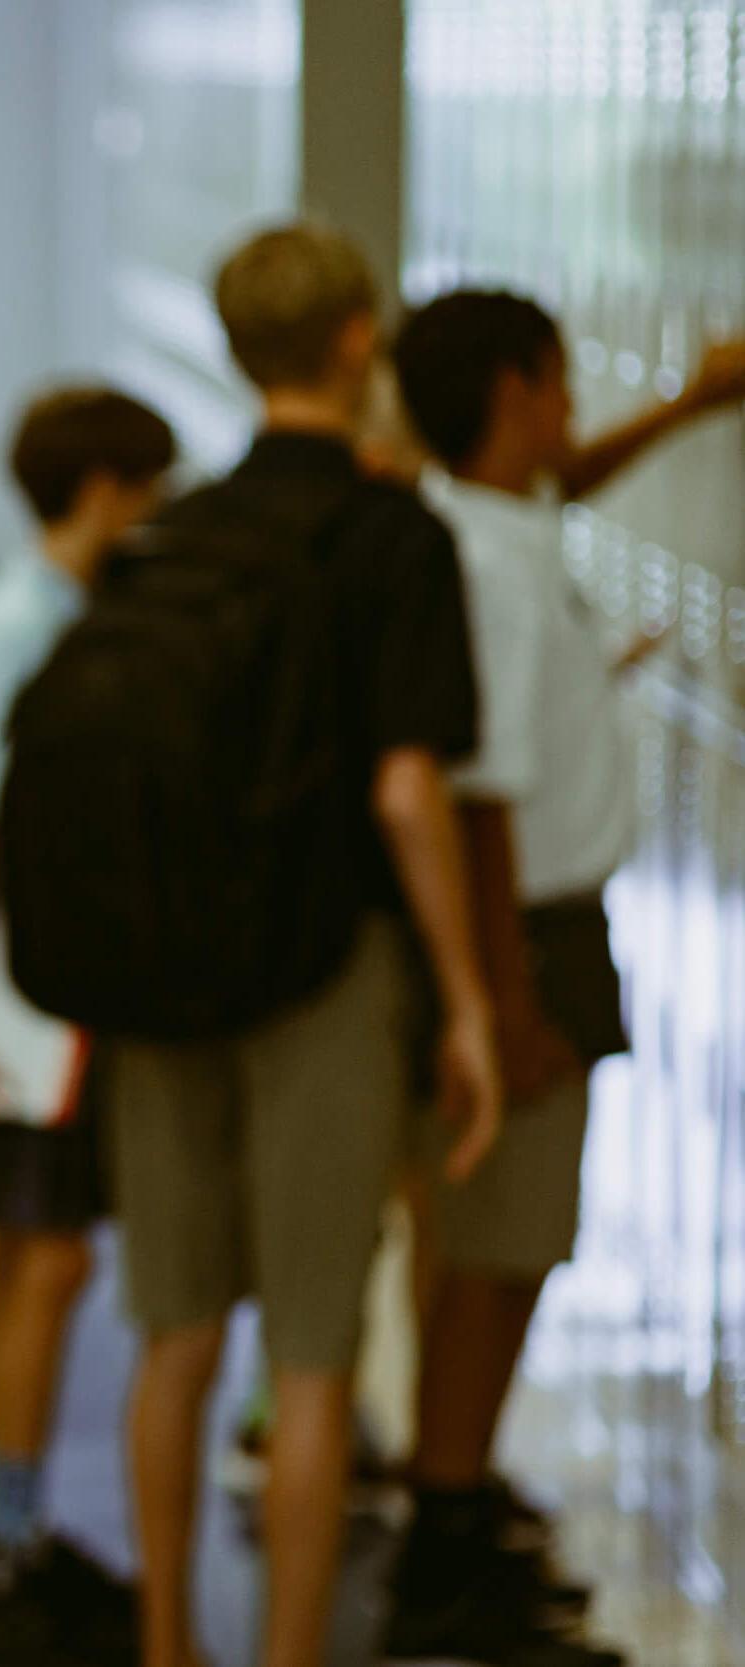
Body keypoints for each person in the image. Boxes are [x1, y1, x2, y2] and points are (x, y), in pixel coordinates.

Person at [97, 224, 502, 1667]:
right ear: (355, 342)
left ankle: (163, 1640)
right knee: (315, 1354)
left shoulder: (172, 534)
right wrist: (463, 998)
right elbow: (406, 788)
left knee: (176, 1332)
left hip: (166, 985)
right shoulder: (398, 534)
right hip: (327, 977)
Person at [385, 291, 745, 1667]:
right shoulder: (495, 566)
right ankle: (446, 1540)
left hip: (533, 926)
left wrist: (698, 399)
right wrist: (507, 1001)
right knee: (504, 1247)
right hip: (523, 934)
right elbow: (478, 795)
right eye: (561, 380)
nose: (575, 403)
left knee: (495, 1241)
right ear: (519, 393)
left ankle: (454, 1497)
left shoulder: (486, 527)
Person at [0, 387, 175, 1662]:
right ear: (105, 490)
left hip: (40, 989)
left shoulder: (62, 610)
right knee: (45, 1252)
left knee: (43, 1253)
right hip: (19, 998)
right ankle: (9, 1533)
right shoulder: (23, 622)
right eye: (151, 488)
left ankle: (14, 1524)